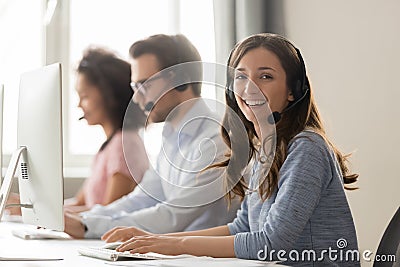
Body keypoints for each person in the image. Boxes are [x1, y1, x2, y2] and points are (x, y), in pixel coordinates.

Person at [102, 33, 360, 266]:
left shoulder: (306, 148)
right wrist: (156, 239)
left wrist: (173, 245)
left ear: (293, 91)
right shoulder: (262, 151)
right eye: (241, 77)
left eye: (265, 77)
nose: (249, 88)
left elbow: (273, 242)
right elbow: (242, 226)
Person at [64, 34, 239, 239]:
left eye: (145, 85)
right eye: (135, 87)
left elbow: (171, 217)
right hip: (171, 254)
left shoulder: (215, 140)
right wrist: (83, 218)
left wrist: (88, 226)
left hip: (200, 259)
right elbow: (140, 199)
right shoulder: (171, 138)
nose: (137, 98)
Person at [64, 47, 148, 213]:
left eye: (85, 96)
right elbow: (81, 203)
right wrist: (31, 211)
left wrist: (52, 216)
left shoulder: (124, 144)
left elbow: (109, 213)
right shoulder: (110, 145)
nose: (79, 105)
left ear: (109, 95)